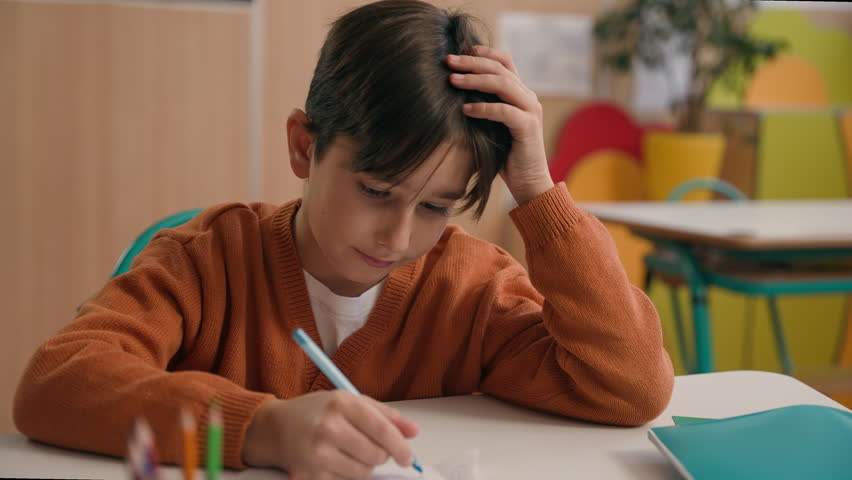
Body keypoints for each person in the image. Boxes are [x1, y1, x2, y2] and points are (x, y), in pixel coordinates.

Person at [13, 1, 674, 479]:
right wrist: (264, 427)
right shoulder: (206, 261)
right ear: (305, 145)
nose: (395, 234)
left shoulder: (471, 291)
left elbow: (629, 388)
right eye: (375, 191)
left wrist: (537, 191)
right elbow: (54, 385)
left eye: (436, 207)